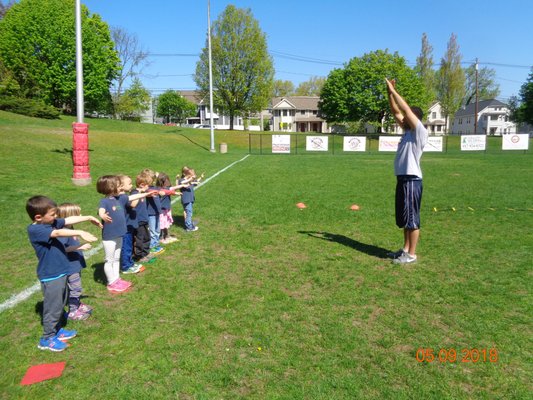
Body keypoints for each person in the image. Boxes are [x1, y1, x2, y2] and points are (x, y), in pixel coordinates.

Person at [26, 195, 101, 351]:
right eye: (52, 214)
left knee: (61, 303)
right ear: (38, 217)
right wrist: (81, 232)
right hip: (51, 274)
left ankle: (58, 330)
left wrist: (87, 217)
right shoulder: (36, 229)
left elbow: (67, 221)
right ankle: (47, 338)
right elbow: (58, 233)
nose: (56, 218)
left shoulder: (49, 223)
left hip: (61, 271)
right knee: (52, 307)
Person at [385, 78, 428, 264]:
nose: (403, 119)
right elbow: (396, 111)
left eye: (408, 117)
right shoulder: (406, 131)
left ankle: (412, 254)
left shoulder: (420, 131)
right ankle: (405, 250)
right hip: (403, 179)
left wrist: (394, 91)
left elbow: (405, 110)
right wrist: (390, 93)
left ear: (414, 119)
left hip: (412, 180)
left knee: (412, 219)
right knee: (405, 218)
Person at [97, 175, 153, 293]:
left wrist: (145, 194)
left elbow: (133, 196)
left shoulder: (121, 199)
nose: (121, 188)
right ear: (110, 188)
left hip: (120, 234)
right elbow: (101, 210)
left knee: (117, 258)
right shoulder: (104, 201)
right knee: (109, 259)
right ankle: (111, 282)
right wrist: (102, 215)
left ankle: (117, 279)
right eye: (119, 186)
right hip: (109, 236)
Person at [56, 203, 94, 321]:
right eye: (78, 214)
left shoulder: (70, 229)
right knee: (75, 288)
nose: (81, 216)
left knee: (76, 287)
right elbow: (62, 249)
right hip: (70, 266)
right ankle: (73, 311)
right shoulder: (63, 232)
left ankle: (77, 304)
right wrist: (79, 247)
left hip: (75, 265)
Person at [117, 175, 145, 275]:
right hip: (126, 227)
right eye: (129, 184)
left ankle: (129, 263)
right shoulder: (123, 197)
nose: (131, 185)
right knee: (126, 247)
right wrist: (139, 193)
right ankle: (125, 267)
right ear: (120, 186)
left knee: (128, 246)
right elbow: (133, 204)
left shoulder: (123, 196)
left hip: (129, 226)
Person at [177, 167, 204, 232]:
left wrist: (201, 178)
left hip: (189, 199)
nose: (192, 176)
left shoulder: (190, 181)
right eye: (190, 174)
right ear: (185, 174)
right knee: (189, 213)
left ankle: (188, 225)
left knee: (187, 212)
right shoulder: (181, 180)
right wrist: (191, 179)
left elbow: (195, 182)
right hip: (187, 200)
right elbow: (183, 182)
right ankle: (189, 227)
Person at [156, 172, 179, 244]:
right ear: (162, 182)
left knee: (166, 223)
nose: (169, 181)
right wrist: (175, 193)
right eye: (167, 180)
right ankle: (161, 238)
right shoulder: (160, 190)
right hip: (162, 210)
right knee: (162, 224)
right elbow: (168, 191)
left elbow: (173, 189)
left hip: (166, 209)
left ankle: (166, 236)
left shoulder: (165, 188)